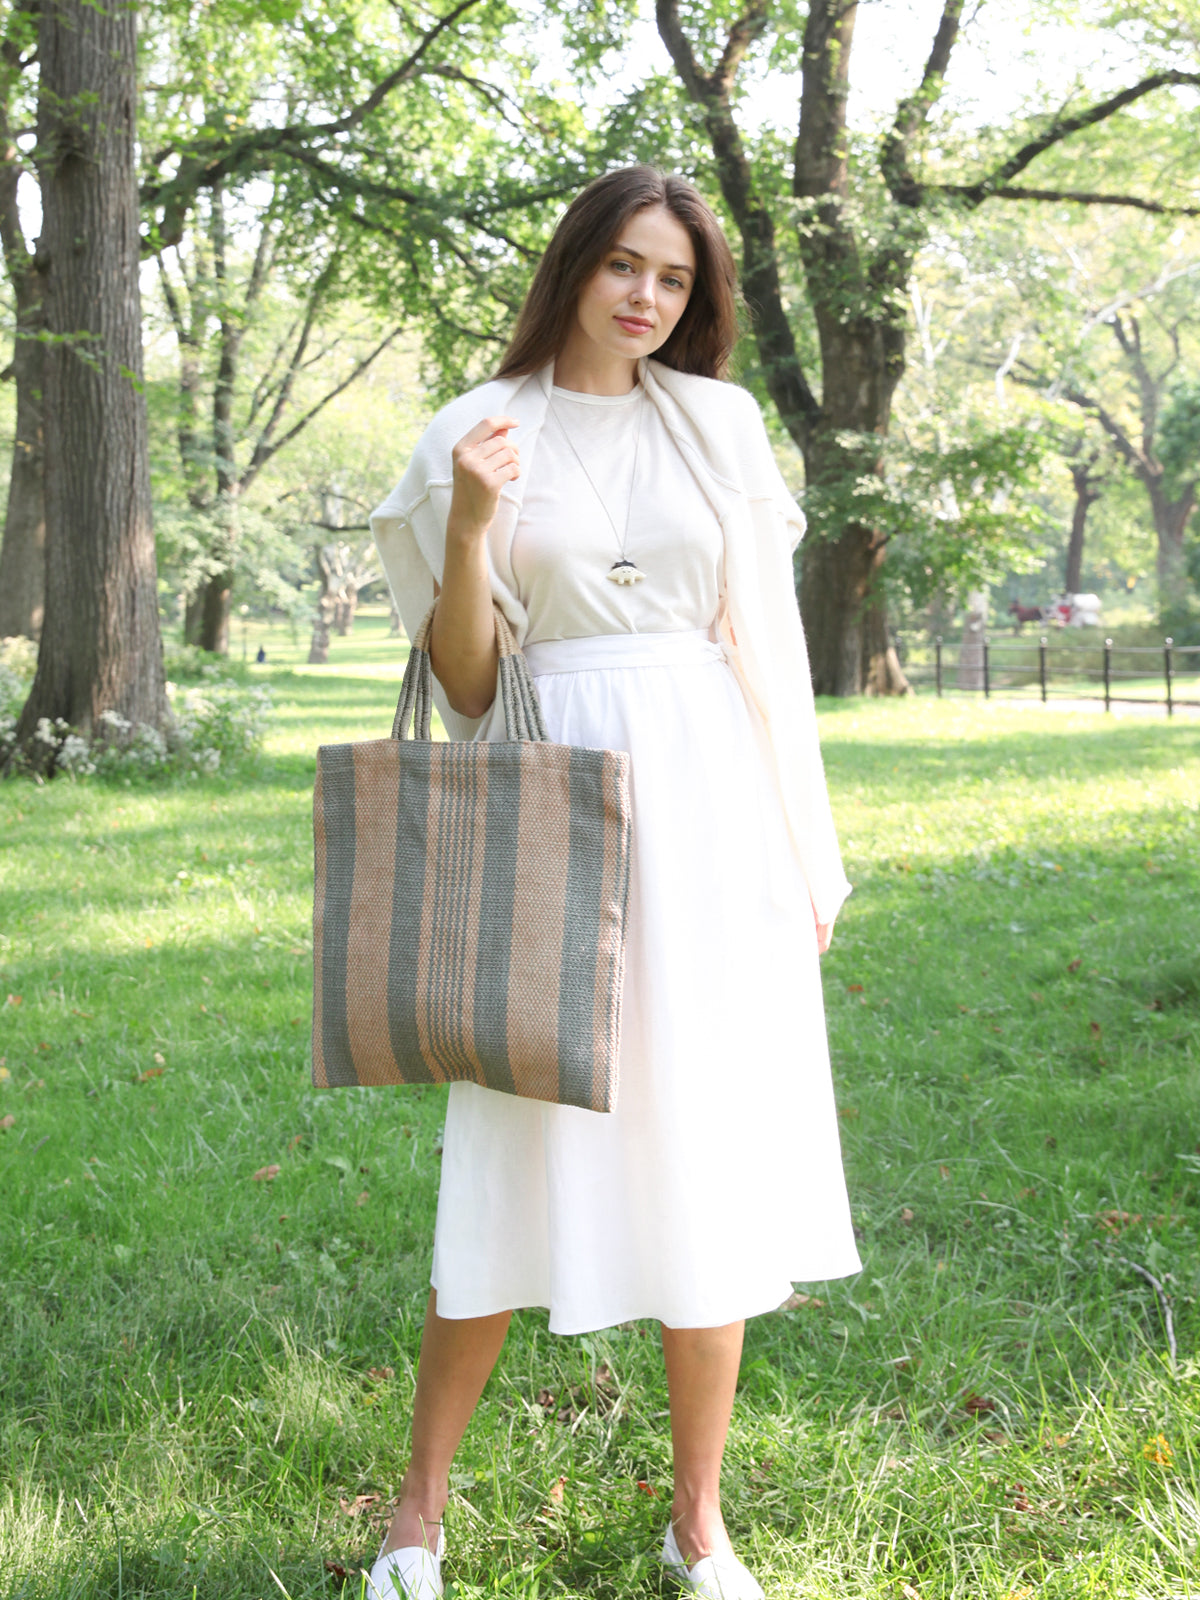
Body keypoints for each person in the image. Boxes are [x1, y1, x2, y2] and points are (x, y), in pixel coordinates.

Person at [366, 164, 860, 1600]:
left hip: (713, 809)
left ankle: (698, 1521)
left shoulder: (718, 424)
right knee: (513, 1145)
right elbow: (468, 688)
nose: (648, 296)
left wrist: (805, 851)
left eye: (676, 278)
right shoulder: (475, 428)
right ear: (577, 265)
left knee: (708, 1152)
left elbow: (769, 651)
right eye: (626, 265)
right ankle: (416, 1516)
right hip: (554, 799)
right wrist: (470, 523)